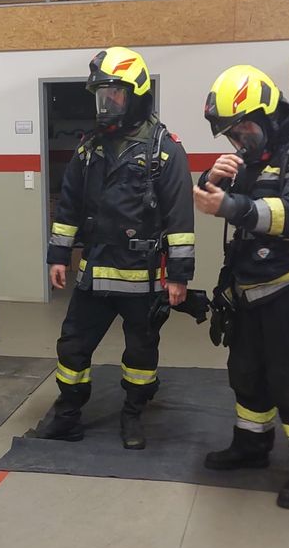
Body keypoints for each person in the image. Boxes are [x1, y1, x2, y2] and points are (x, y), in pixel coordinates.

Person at [193, 64, 289, 510]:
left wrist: (228, 204)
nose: (240, 141)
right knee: (247, 375)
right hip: (247, 288)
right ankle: (251, 447)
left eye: (244, 129)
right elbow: (222, 201)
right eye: (232, 135)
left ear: (269, 112)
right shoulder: (253, 157)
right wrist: (211, 180)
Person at [39, 46, 195, 450]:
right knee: (73, 346)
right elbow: (69, 205)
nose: (106, 103)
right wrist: (58, 256)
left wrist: (178, 277)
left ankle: (133, 415)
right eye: (101, 94)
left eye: (115, 94)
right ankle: (68, 414)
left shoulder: (166, 148)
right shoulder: (89, 147)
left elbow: (180, 219)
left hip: (144, 277)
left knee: (141, 353)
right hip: (94, 271)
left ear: (137, 94)